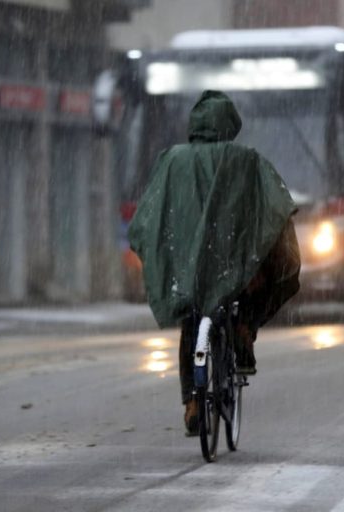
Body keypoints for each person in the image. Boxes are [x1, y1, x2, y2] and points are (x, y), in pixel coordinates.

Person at [128, 90, 301, 435]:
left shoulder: (172, 160)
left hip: (191, 266)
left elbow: (151, 213)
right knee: (268, 278)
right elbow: (273, 205)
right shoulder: (247, 160)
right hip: (233, 263)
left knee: (192, 324)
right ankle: (245, 327)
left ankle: (192, 401)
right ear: (230, 125)